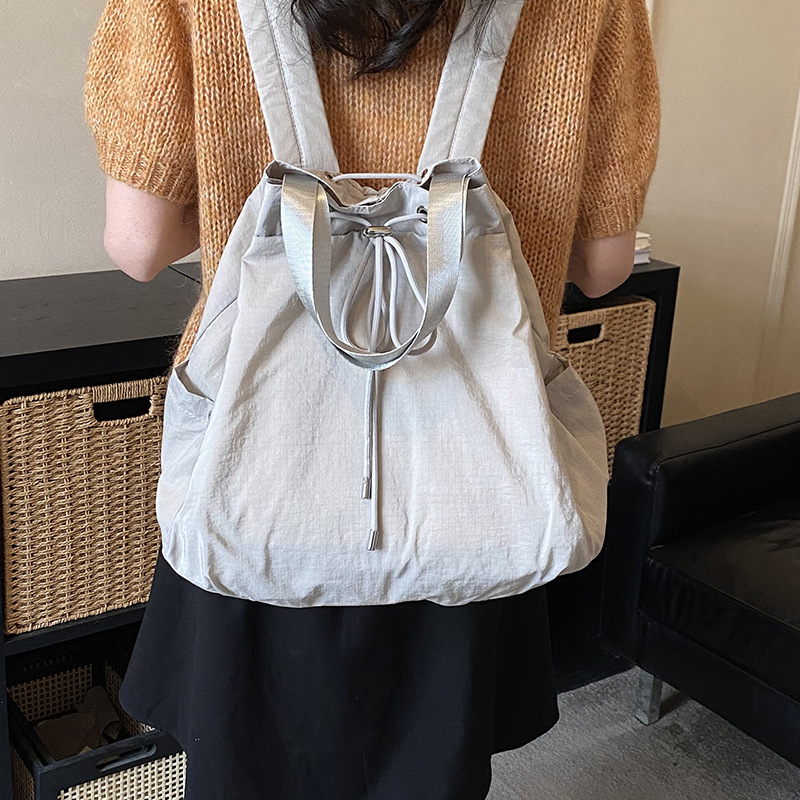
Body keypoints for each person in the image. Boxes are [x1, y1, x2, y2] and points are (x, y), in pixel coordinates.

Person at [85, 0, 660, 797]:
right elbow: (601, 266)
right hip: (478, 470)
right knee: (434, 767)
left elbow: (140, 244)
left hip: (260, 457)